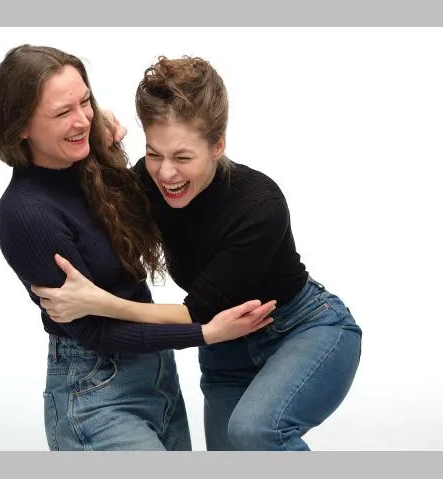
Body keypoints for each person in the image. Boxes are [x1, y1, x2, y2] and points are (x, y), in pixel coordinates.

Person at [31, 55, 363, 451]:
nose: (166, 173)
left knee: (253, 432)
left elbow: (195, 315)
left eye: (183, 157)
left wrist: (98, 302)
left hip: (303, 329)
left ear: (218, 145)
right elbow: (87, 205)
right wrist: (93, 132)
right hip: (226, 351)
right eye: (155, 154)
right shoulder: (147, 183)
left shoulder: (260, 205)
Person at [0, 45, 276, 451]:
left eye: (85, 101)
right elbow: (96, 331)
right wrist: (205, 333)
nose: (82, 119)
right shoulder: (26, 214)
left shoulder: (88, 164)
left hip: (157, 376)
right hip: (95, 392)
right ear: (20, 125)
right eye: (62, 112)